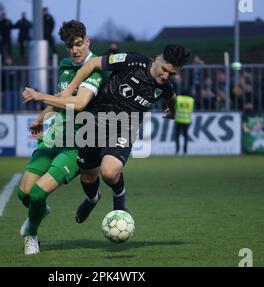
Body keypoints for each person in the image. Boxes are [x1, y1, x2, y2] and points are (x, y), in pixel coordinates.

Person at [23, 44, 191, 224]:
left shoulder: (165, 86)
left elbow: (172, 98)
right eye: (164, 69)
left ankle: (120, 199)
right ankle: (92, 199)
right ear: (158, 59)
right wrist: (70, 89)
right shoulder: (133, 61)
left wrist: (172, 113)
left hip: (125, 127)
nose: (165, 76)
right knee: (88, 176)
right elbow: (93, 63)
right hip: (94, 122)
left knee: (109, 172)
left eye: (171, 74)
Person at [18, 20, 106, 255]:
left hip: (77, 144)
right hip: (53, 137)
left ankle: (32, 235)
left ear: (87, 41)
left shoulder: (97, 67)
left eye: (79, 44)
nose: (75, 50)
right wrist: (41, 117)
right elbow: (61, 100)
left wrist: (40, 96)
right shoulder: (66, 66)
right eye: (70, 46)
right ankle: (39, 210)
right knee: (24, 193)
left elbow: (79, 103)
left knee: (37, 193)